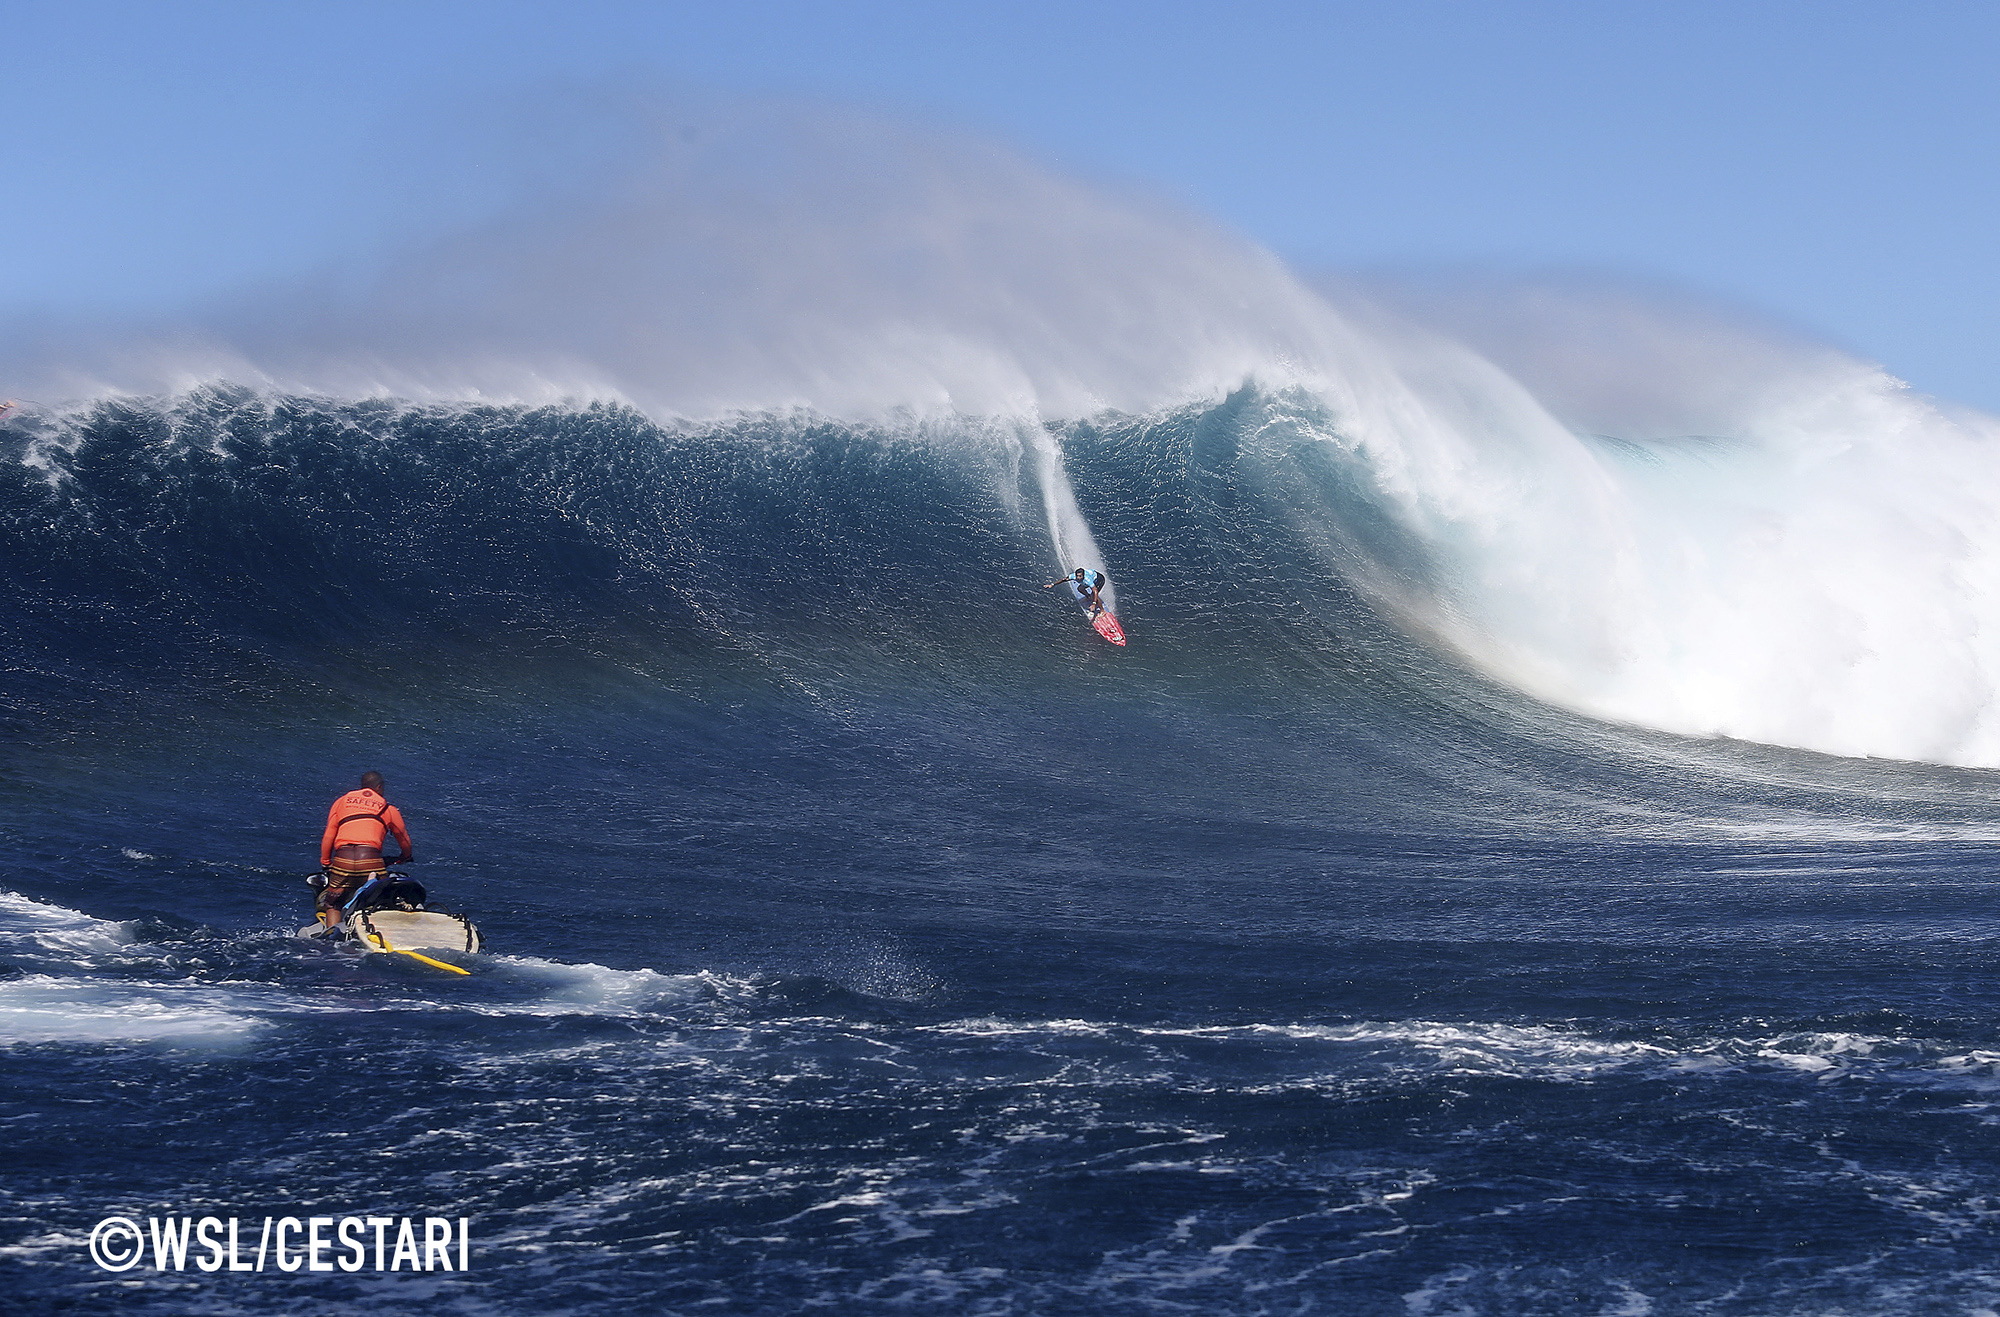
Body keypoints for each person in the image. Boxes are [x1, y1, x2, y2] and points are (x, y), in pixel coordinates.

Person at [316, 771, 413, 929]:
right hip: (370, 860)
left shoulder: (341, 802)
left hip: (343, 859)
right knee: (382, 897)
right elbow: (403, 838)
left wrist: (326, 862)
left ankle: (330, 938)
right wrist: (406, 856)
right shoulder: (388, 809)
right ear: (379, 787)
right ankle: (376, 933)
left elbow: (328, 835)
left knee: (333, 902)